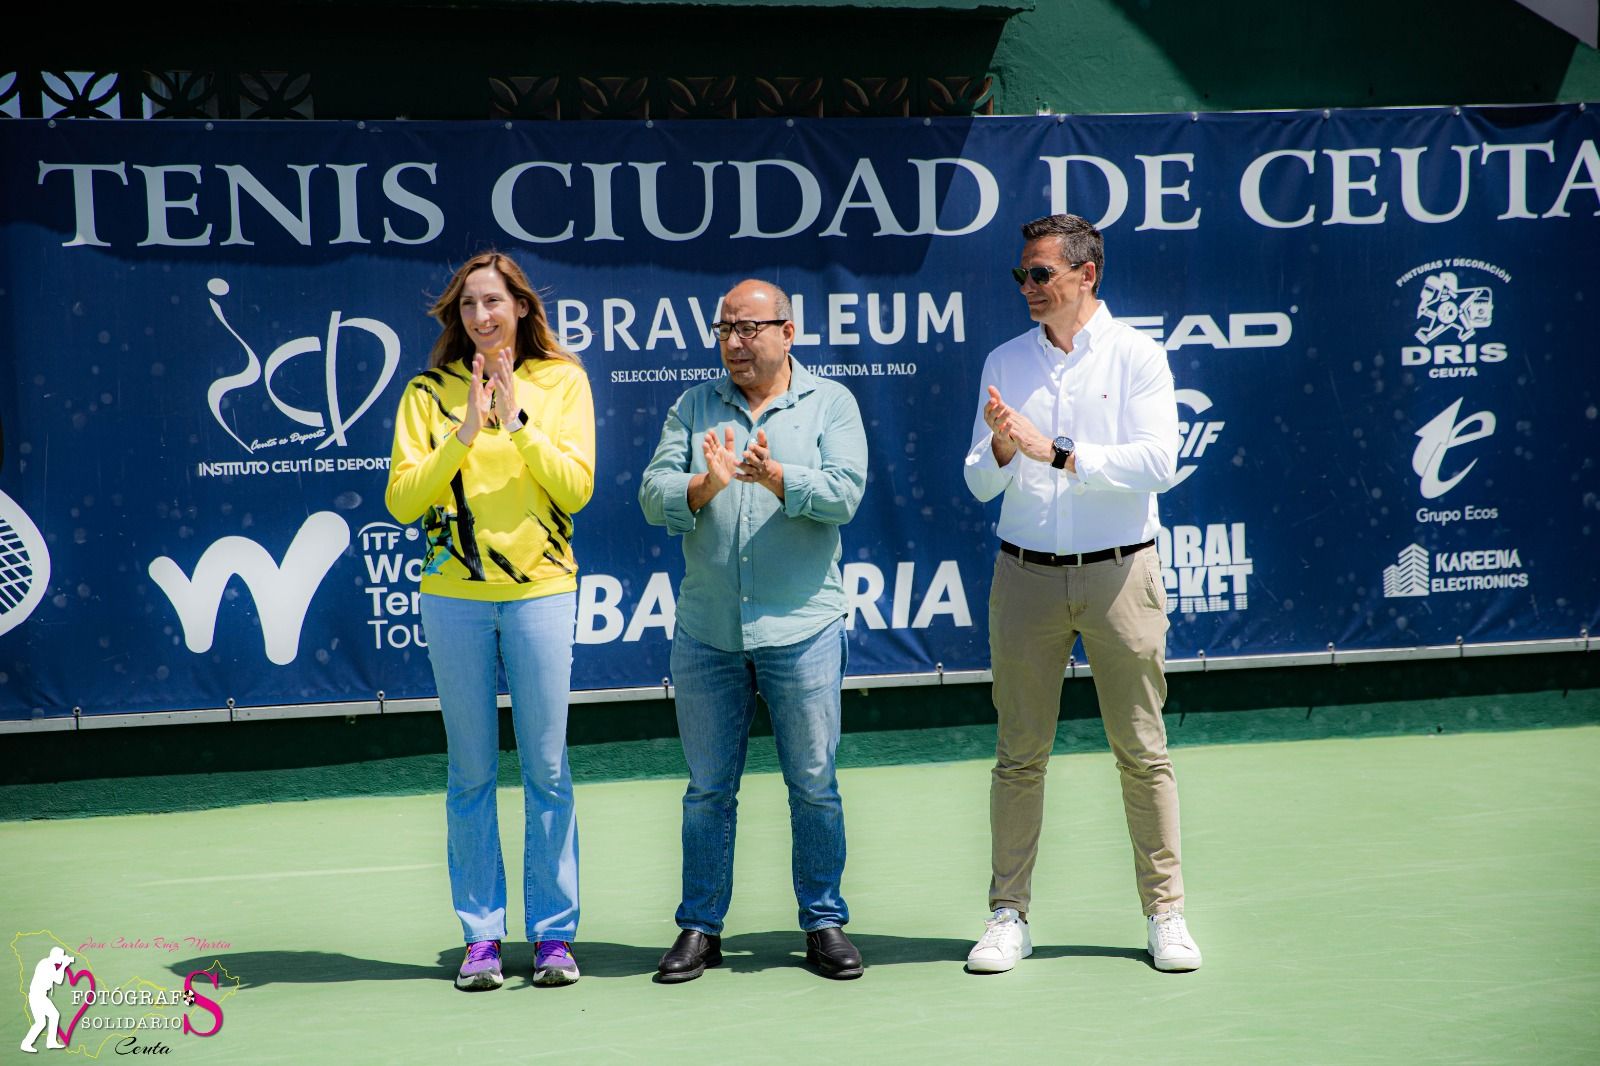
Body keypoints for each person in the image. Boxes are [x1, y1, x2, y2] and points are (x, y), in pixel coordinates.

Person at [961, 214, 1202, 974]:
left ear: (1085, 275)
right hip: (1024, 574)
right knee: (1018, 756)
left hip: (1121, 574)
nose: (1028, 288)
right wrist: (1002, 446)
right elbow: (976, 479)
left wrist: (1057, 451)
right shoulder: (1005, 359)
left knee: (1142, 752)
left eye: (1041, 274)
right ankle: (1008, 915)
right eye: (1021, 276)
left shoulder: (1137, 355)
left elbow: (1160, 461)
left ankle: (1166, 914)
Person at [639, 279, 869, 982]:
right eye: (725, 330)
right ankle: (700, 927)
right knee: (708, 789)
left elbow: (845, 494)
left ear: (787, 331)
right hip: (709, 631)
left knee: (813, 783)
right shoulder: (693, 406)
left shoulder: (830, 402)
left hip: (801, 627)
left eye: (749, 329)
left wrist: (778, 478)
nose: (735, 343)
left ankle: (824, 922)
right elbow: (652, 493)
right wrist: (701, 488)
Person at [385, 251, 595, 991]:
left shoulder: (562, 383)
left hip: (542, 592)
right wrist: (468, 428)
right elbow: (404, 502)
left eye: (493, 303)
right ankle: (481, 938)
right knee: (470, 772)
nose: (481, 317)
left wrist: (519, 421)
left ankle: (552, 939)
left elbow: (576, 488)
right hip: (453, 599)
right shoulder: (426, 393)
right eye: (468, 305)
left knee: (546, 768)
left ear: (522, 309)